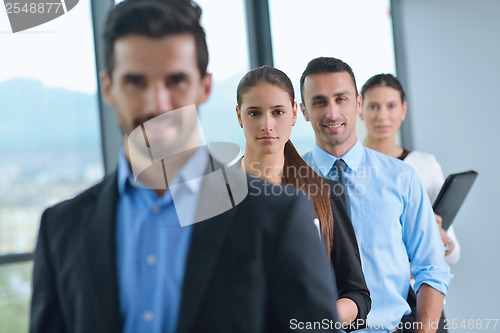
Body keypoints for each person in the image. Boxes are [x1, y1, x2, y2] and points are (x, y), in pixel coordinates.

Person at [29, 1, 340, 332]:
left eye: (175, 80)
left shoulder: (276, 217)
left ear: (204, 87)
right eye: (136, 81)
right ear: (108, 88)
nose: (157, 104)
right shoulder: (61, 228)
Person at [300, 57, 452, 333]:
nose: (332, 113)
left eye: (341, 99)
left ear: (357, 104)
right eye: (319, 102)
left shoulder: (401, 177)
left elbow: (431, 266)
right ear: (303, 110)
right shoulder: (288, 182)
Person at [235, 66, 370, 331]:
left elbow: (357, 295)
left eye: (278, 112)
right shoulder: (214, 196)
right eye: (254, 113)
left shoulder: (325, 194)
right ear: (239, 116)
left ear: (295, 113)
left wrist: (313, 319)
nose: (267, 125)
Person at [360, 73, 461, 332]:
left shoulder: (423, 165)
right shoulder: (351, 169)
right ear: (359, 108)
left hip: (423, 299)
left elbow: (452, 253)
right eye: (374, 106)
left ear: (403, 110)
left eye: (391, 106)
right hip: (372, 302)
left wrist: (439, 239)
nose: (383, 116)